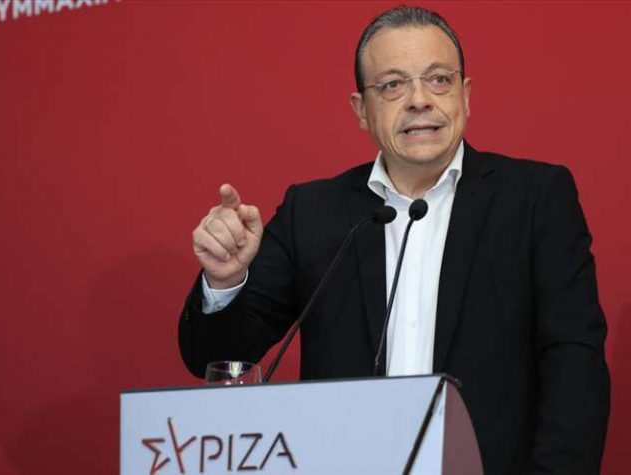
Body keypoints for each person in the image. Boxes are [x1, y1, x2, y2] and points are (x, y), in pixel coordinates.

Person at [178, 5, 610, 474]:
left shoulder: (534, 199)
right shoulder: (313, 212)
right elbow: (216, 359)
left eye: (439, 80)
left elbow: (574, 367)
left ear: (465, 96)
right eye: (392, 85)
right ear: (361, 110)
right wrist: (225, 282)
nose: (420, 100)